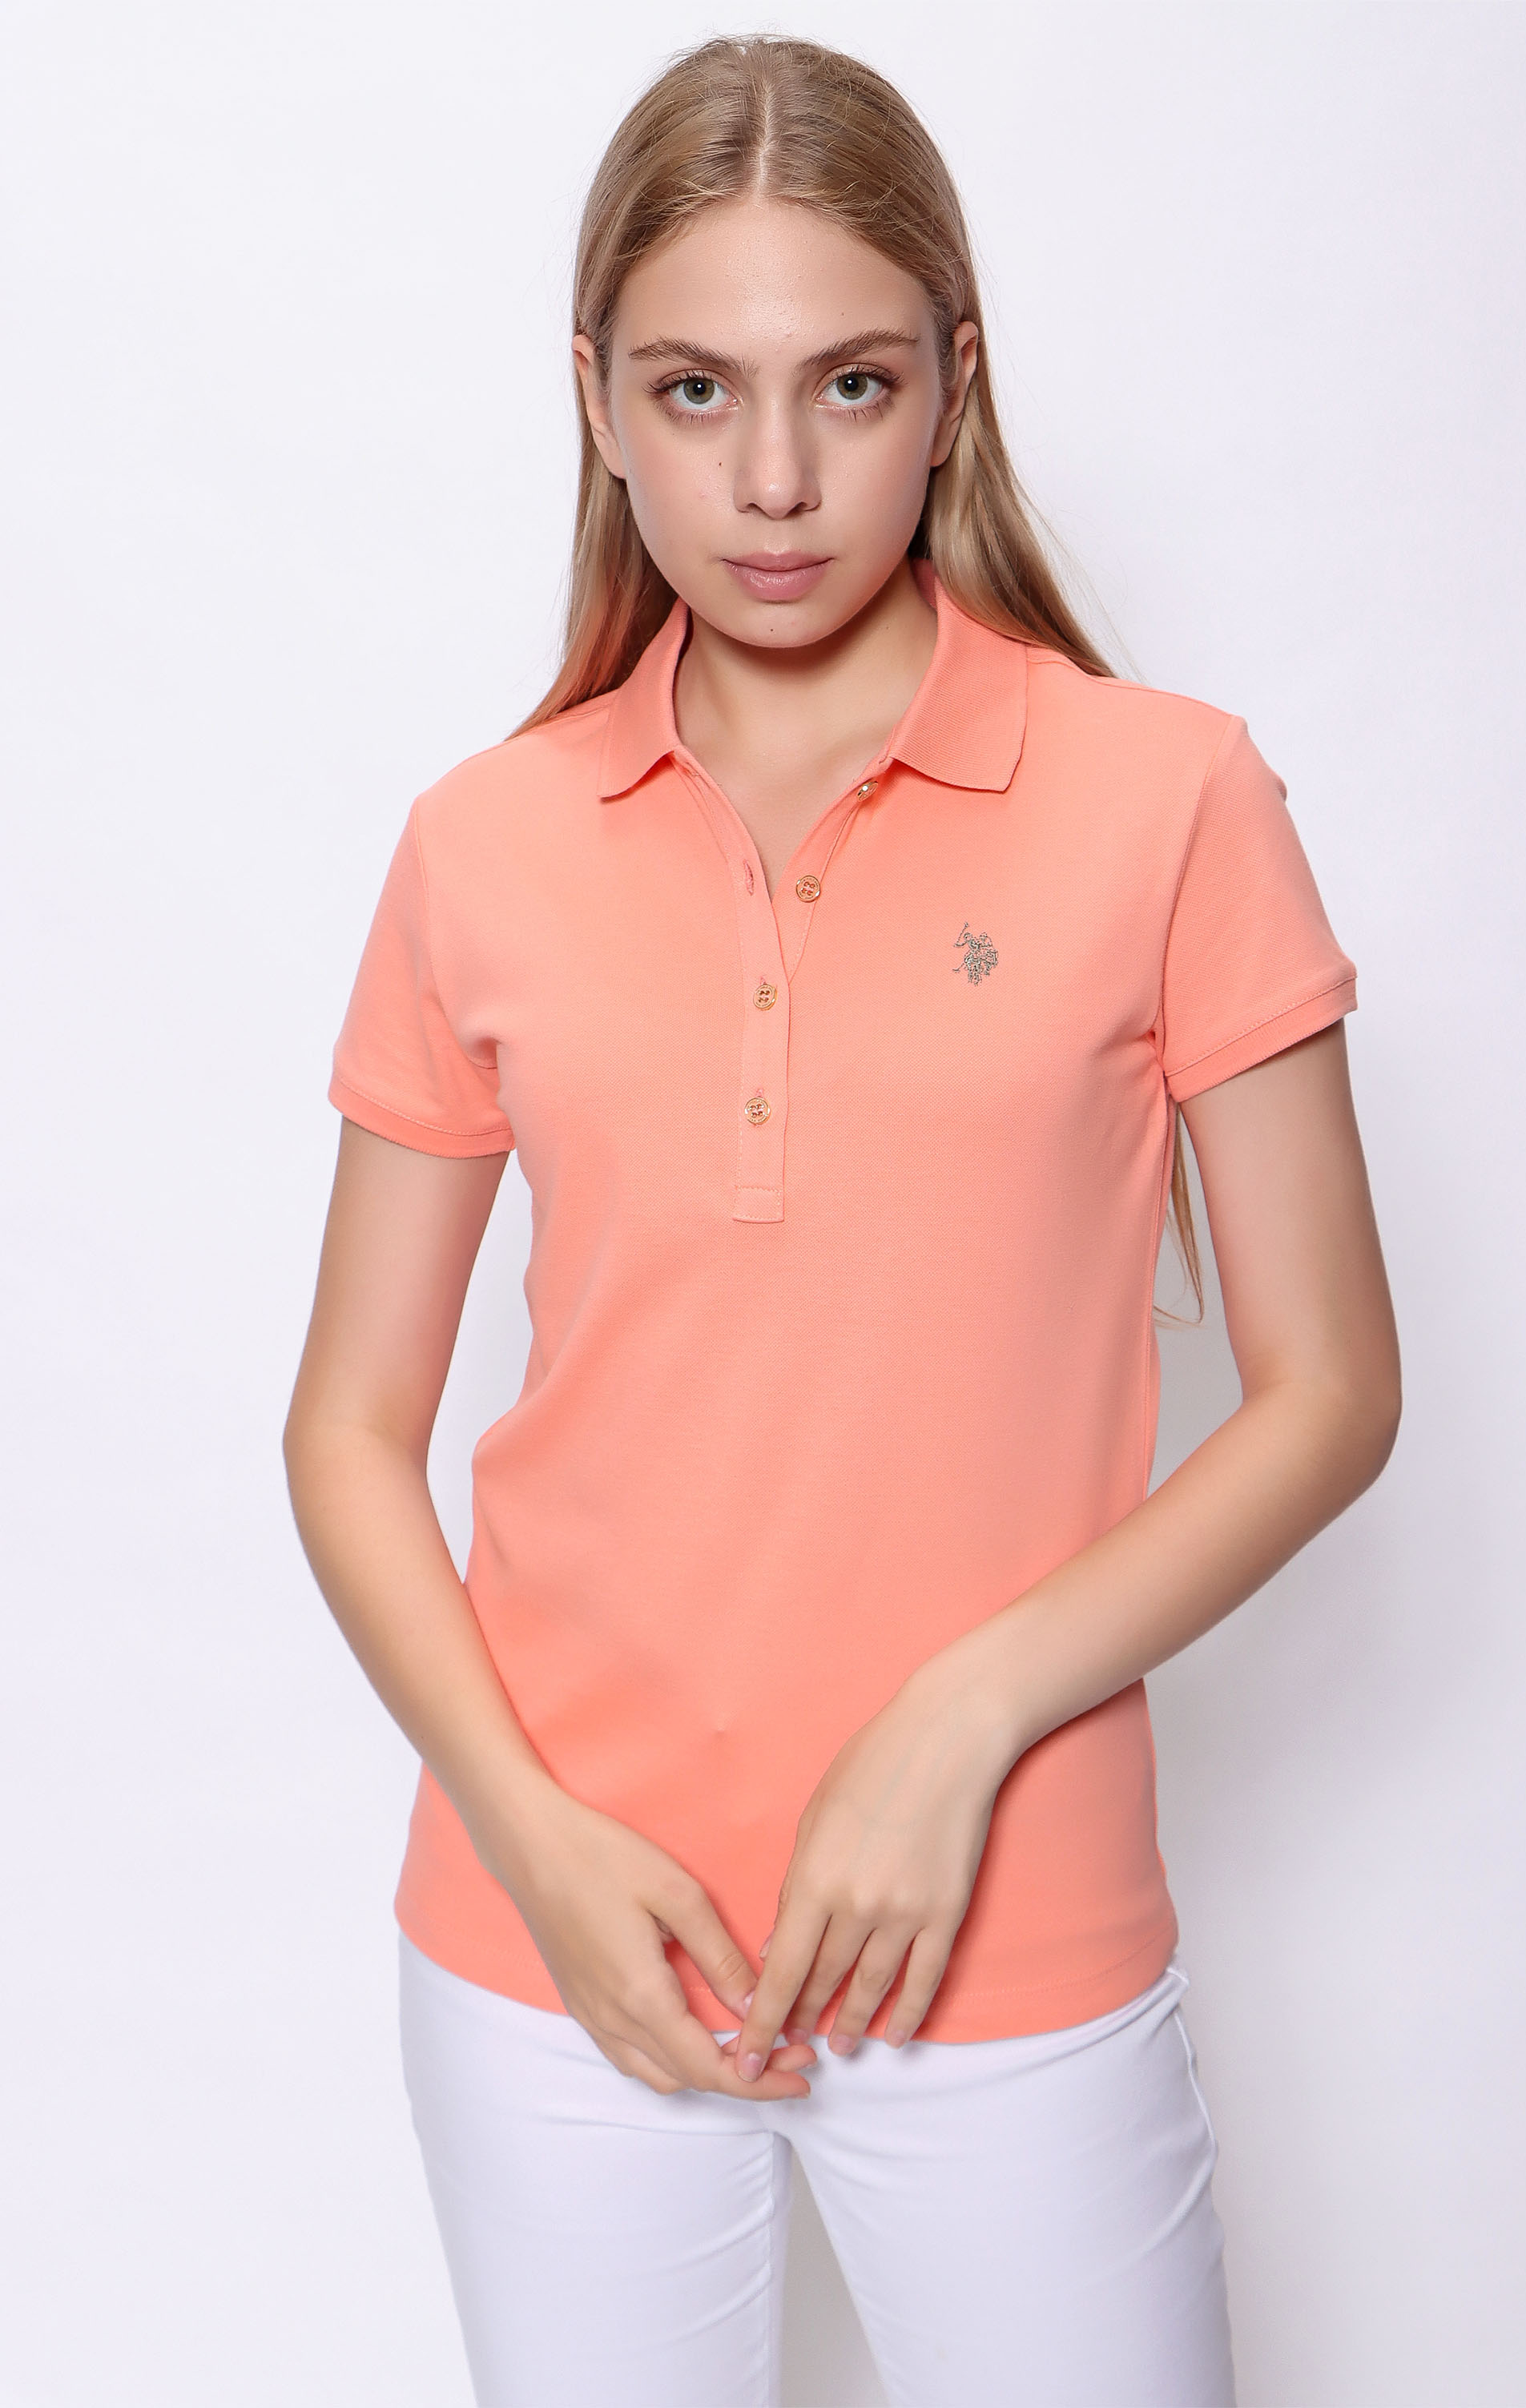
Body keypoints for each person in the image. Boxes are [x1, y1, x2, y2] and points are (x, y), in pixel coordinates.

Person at [282, 33, 1400, 2408]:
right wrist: (531, 1841)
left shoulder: (1168, 799)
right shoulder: (483, 841)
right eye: (695, 390)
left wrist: (959, 1720)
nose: (774, 480)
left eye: (851, 386)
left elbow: (1329, 1394)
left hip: (1006, 1927)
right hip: (557, 1949)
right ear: (596, 403)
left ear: (954, 389)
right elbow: (347, 1431)